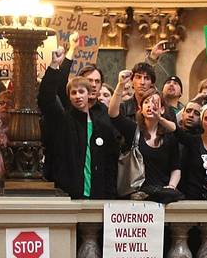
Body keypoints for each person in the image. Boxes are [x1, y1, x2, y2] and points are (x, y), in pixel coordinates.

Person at [37, 48, 135, 199]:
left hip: (100, 193)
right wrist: (54, 65)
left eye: (81, 92)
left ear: (89, 93)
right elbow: (46, 98)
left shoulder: (103, 118)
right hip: (68, 193)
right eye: (73, 93)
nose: (77, 96)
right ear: (68, 96)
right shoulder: (64, 118)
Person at [128, 90, 184, 203]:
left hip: (162, 191)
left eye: (155, 103)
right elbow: (114, 115)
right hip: (137, 190)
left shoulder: (169, 137)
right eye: (147, 102)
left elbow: (176, 168)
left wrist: (171, 186)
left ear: (162, 109)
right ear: (141, 109)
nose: (150, 106)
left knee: (172, 194)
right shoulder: (133, 131)